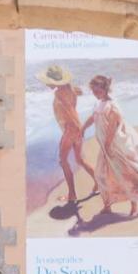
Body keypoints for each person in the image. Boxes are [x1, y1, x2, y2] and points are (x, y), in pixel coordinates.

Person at [83, 74, 138, 217]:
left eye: (97, 91)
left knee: (127, 175)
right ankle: (107, 205)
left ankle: (134, 207)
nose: (95, 94)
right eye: (93, 91)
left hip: (116, 145)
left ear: (105, 89)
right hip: (106, 147)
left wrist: (106, 146)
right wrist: (83, 128)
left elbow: (112, 128)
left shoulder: (112, 106)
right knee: (103, 175)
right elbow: (93, 117)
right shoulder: (98, 103)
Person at [37, 64, 98, 204]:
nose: (46, 84)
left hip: (71, 130)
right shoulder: (71, 90)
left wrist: (76, 130)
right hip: (76, 129)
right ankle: (99, 182)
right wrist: (80, 130)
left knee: (63, 161)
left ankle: (72, 194)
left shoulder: (59, 93)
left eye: (47, 81)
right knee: (80, 160)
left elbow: (70, 113)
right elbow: (74, 105)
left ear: (54, 81)